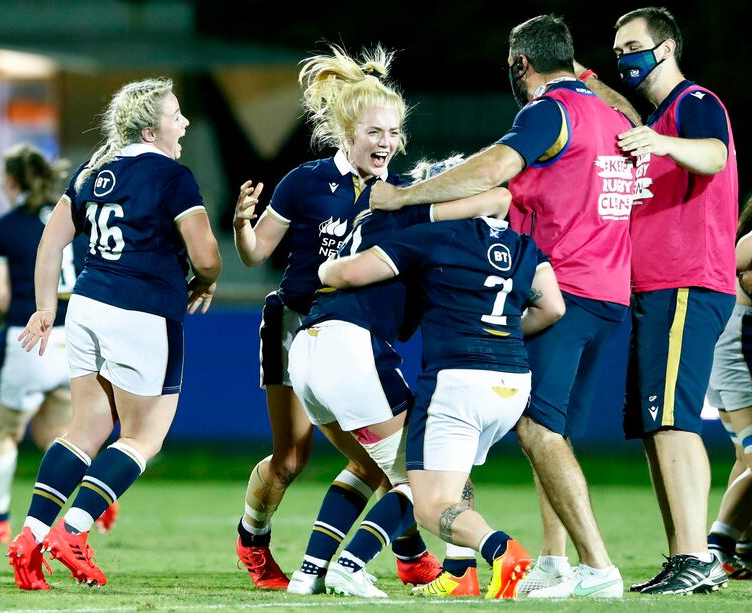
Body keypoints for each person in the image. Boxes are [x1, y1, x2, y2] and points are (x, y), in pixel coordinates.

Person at [370, 14, 632, 599]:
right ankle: (554, 563)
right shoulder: (609, 113)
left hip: (567, 283)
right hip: (608, 288)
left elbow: (497, 167)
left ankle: (596, 567)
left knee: (538, 428)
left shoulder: (549, 110)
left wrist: (405, 196)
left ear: (522, 64)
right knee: (549, 429)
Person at [232, 44, 435, 590]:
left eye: (394, 134)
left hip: (353, 332)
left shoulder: (397, 193)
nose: (386, 144)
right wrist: (241, 227)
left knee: (378, 463)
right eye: (375, 132)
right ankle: (253, 537)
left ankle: (397, 559)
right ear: (348, 130)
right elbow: (255, 254)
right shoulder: (305, 180)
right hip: (294, 323)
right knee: (290, 461)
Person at [7, 78, 221, 590]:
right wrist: (205, 281)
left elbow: (50, 243)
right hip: (143, 309)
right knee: (144, 436)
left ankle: (29, 539)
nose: (184, 122)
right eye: (175, 114)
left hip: (85, 305)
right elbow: (208, 255)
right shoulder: (172, 176)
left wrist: (43, 310)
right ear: (150, 128)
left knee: (85, 429)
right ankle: (73, 533)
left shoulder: (92, 170)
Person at [286, 156, 512, 597]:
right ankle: (351, 565)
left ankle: (309, 572)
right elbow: (499, 197)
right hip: (351, 346)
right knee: (423, 477)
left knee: (366, 466)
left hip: (310, 347)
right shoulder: (409, 208)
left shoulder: (382, 220)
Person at [319, 211, 565, 600]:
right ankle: (459, 573)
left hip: (458, 380)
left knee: (430, 506)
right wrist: (499, 334)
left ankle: (503, 551)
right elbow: (552, 307)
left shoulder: (437, 235)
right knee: (455, 476)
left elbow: (349, 274)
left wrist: (323, 269)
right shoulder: (524, 244)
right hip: (513, 382)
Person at [609, 7, 737, 595]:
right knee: (655, 425)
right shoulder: (656, 120)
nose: (624, 56)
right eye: (617, 48)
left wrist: (661, 142)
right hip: (654, 288)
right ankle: (680, 556)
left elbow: (714, 155)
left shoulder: (694, 102)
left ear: (665, 48)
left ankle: (698, 556)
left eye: (633, 45)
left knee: (674, 422)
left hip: (687, 281)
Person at [0, 144, 107, 544]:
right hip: (75, 340)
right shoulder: (76, 223)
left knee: (3, 434)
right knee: (59, 432)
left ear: (11, 181)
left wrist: (1, 321)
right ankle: (94, 495)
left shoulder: (6, 228)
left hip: (29, 337)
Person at [705, 184, 752, 580]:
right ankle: (719, 548)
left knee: (747, 457)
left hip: (724, 342)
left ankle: (748, 548)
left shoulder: (748, 237)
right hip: (738, 347)